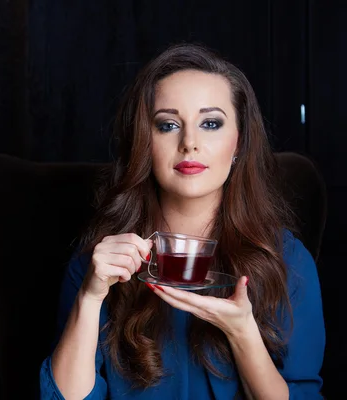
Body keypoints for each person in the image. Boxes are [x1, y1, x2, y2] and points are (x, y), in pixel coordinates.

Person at [39, 43, 325, 399]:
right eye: (168, 125)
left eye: (210, 123)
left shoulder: (285, 260)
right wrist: (90, 296)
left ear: (238, 143)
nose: (189, 143)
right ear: (144, 142)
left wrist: (242, 332)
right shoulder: (98, 263)